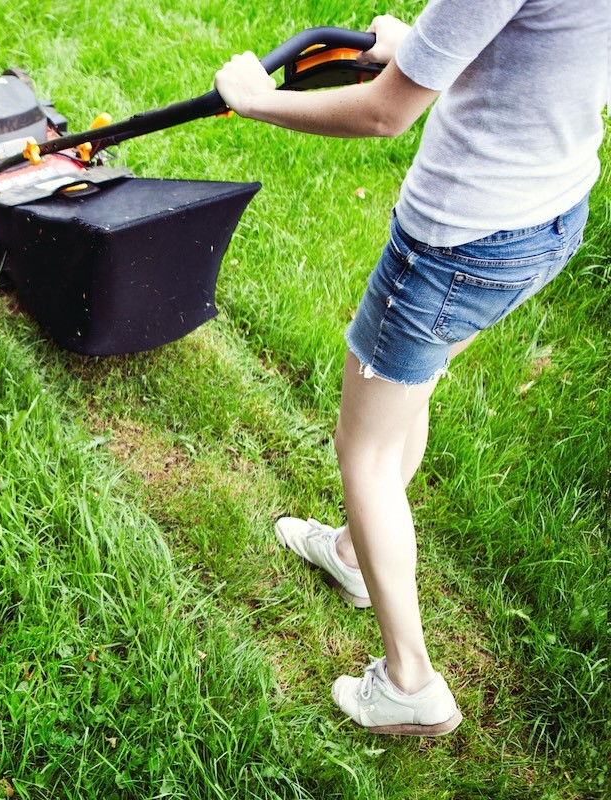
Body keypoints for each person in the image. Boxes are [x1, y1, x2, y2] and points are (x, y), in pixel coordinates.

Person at [213, 1, 608, 736]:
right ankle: (354, 556)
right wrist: (423, 49)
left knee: (362, 448)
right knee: (409, 388)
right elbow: (536, 59)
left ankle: (409, 682)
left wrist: (255, 101)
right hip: (548, 217)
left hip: (458, 241)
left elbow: (383, 114)